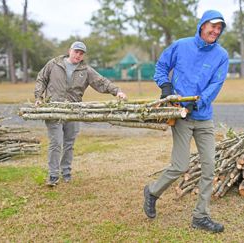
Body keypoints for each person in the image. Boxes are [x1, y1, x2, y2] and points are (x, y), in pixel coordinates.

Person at [143, 10, 229, 233]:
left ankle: (201, 216)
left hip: (203, 117)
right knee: (180, 166)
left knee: (210, 166)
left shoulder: (221, 55)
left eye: (220, 28)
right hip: (179, 116)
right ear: (202, 26)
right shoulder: (181, 46)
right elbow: (161, 66)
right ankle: (152, 192)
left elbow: (216, 84)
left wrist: (197, 103)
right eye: (212, 26)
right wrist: (166, 87)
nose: (216, 31)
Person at [34, 41, 127, 186]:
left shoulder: (85, 70)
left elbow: (101, 82)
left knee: (69, 143)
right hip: (54, 109)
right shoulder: (54, 64)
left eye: (81, 53)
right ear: (69, 50)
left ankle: (66, 172)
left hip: (74, 110)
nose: (78, 55)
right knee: (56, 143)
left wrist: (117, 91)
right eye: (76, 51)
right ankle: (53, 175)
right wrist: (39, 97)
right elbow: (41, 79)